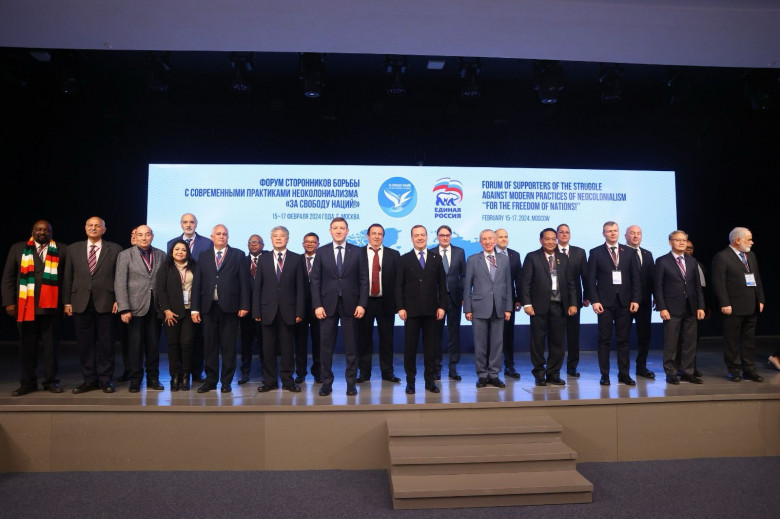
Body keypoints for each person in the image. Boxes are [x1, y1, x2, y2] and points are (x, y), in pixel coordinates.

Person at [2, 220, 67, 396]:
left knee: (51, 347)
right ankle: (27, 383)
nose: (42, 232)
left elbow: (66, 279)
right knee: (27, 347)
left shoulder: (62, 249)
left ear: (51, 232)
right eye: (38, 229)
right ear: (32, 231)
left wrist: (66, 303)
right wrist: (9, 302)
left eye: (46, 230)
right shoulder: (18, 248)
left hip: (52, 307)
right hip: (25, 306)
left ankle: (50, 382)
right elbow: (8, 277)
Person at [310, 217, 368, 397]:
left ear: (347, 231)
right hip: (327, 306)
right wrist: (317, 305)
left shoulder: (357, 251)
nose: (338, 231)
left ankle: (351, 383)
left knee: (352, 347)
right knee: (326, 347)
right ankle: (326, 383)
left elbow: (364, 280)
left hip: (351, 305)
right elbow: (315, 281)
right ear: (330, 231)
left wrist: (362, 304)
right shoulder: (321, 252)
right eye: (335, 228)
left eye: (342, 228)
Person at [63, 217, 122, 393]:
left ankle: (106, 380)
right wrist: (67, 301)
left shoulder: (115, 249)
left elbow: (119, 277)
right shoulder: (73, 249)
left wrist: (119, 299)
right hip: (80, 302)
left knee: (107, 344)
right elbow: (68, 277)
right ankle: (89, 380)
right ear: (85, 228)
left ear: (104, 230)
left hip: (107, 302)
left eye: (98, 226)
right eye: (90, 225)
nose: (94, 228)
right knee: (85, 344)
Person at [191, 224, 250, 393]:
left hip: (230, 308)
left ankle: (226, 382)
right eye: (218, 234)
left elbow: (244, 282)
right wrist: (195, 309)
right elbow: (197, 283)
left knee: (228, 347)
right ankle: (210, 381)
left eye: (224, 234)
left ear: (228, 237)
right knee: (210, 346)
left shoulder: (238, 255)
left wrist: (244, 305)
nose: (221, 236)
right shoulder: (203, 256)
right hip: (208, 308)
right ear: (212, 237)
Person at [520, 228, 578, 386]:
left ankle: (553, 374)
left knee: (558, 342)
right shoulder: (532, 257)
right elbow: (525, 283)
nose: (551, 242)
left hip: (559, 306)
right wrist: (527, 303)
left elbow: (571, 283)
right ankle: (539, 374)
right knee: (538, 343)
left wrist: (573, 303)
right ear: (541, 240)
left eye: (554, 239)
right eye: (547, 239)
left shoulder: (563, 258)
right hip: (538, 307)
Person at [587, 221, 641, 386]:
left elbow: (635, 278)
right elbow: (591, 280)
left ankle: (624, 374)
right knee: (604, 340)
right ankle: (605, 375)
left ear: (618, 233)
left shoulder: (629, 252)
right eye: (609, 231)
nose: (612, 233)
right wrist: (595, 301)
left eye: (615, 230)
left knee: (624, 340)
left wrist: (636, 299)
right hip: (604, 303)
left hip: (625, 302)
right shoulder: (596, 252)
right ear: (603, 233)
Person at [396, 225, 448, 394]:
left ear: (427, 237)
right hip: (411, 312)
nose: (420, 238)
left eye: (422, 235)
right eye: (416, 235)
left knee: (431, 349)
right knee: (410, 349)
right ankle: (410, 382)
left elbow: (443, 286)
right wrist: (400, 307)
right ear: (411, 238)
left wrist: (442, 306)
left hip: (432, 312)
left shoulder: (436, 258)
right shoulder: (404, 259)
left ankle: (430, 382)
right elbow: (399, 287)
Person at [115, 225, 166, 393]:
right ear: (135, 237)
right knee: (135, 346)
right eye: (140, 235)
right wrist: (124, 309)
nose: (144, 238)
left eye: (147, 234)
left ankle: (153, 379)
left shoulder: (161, 254)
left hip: (155, 307)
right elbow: (120, 283)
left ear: (152, 236)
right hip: (134, 307)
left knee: (153, 346)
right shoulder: (125, 255)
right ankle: (135, 380)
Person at [711, 227, 765, 382]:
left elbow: (756, 278)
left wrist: (760, 299)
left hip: (751, 304)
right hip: (733, 306)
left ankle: (749, 369)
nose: (752, 242)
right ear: (737, 240)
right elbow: (719, 282)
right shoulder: (722, 257)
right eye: (749, 239)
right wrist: (724, 303)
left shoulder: (751, 256)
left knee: (749, 340)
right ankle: (734, 369)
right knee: (732, 340)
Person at [255, 226, 305, 392]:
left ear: (287, 239)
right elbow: (257, 287)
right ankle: (269, 381)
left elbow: (300, 287)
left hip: (289, 311)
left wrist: (299, 311)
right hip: (267, 311)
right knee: (267, 349)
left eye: (281, 236)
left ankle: (288, 381)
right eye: (275, 236)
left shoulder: (297, 259)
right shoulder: (263, 259)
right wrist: (256, 311)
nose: (278, 238)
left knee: (287, 349)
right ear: (271, 239)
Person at [654, 230, 705, 384]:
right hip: (671, 308)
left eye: (684, 240)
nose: (682, 243)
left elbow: (697, 286)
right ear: (670, 242)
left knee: (689, 342)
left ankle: (687, 372)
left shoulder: (692, 261)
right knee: (671, 342)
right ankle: (671, 372)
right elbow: (658, 287)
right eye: (678, 240)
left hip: (691, 306)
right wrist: (662, 307)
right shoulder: (662, 261)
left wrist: (701, 306)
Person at [464, 229, 513, 389]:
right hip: (479, 307)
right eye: (484, 239)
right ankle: (482, 375)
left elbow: (508, 285)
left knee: (497, 343)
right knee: (480, 344)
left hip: (499, 307)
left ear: (495, 240)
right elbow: (467, 286)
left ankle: (494, 374)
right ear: (480, 242)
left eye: (490, 238)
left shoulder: (504, 259)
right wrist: (468, 309)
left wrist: (508, 308)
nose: (488, 242)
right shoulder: (473, 259)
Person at [168, 213, 213, 383]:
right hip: (176, 301)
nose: (188, 225)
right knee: (178, 341)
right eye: (185, 222)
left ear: (196, 224)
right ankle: (179, 372)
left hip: (199, 298)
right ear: (181, 224)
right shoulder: (171, 243)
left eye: (191, 222)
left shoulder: (207, 243)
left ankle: (196, 372)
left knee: (198, 338)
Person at [357, 223, 401, 383]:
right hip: (364, 303)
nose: (376, 236)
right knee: (363, 340)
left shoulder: (394, 254)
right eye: (373, 233)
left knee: (387, 340)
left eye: (380, 234)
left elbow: (398, 282)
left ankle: (387, 373)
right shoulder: (358, 253)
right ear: (367, 236)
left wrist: (399, 304)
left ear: (383, 236)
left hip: (386, 302)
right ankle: (364, 374)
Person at [156, 239, 198, 391]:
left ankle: (186, 375)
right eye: (177, 249)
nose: (180, 252)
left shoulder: (195, 266)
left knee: (187, 344)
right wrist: (166, 310)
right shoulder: (165, 267)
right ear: (172, 252)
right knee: (173, 345)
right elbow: (161, 290)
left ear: (188, 252)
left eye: (183, 250)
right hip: (171, 313)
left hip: (189, 312)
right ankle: (174, 376)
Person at [430, 225, 466, 380]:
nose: (444, 238)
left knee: (454, 334)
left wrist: (464, 295)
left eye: (447, 235)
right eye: (442, 235)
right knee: (436, 335)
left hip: (454, 298)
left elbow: (464, 275)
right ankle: (436, 367)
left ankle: (453, 368)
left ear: (451, 236)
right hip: (436, 300)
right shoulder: (431, 252)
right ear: (437, 236)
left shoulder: (459, 252)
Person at [556, 223, 589, 377]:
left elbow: (585, 276)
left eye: (567, 232)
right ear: (557, 235)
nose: (564, 234)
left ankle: (572, 367)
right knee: (557, 335)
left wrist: (587, 295)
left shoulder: (579, 252)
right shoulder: (551, 251)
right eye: (561, 232)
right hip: (556, 299)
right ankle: (555, 367)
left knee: (573, 335)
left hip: (574, 299)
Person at [624, 225, 656, 379]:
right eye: (632, 233)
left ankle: (641, 367)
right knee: (624, 337)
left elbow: (653, 278)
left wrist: (656, 297)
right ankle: (624, 371)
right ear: (625, 236)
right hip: (625, 301)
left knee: (644, 336)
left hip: (644, 302)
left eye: (638, 233)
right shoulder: (620, 253)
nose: (636, 236)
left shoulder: (647, 254)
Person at [494, 228, 523, 379]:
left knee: (508, 335)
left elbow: (519, 279)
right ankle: (492, 368)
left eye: (506, 236)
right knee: (493, 336)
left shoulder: (515, 255)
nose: (504, 239)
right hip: (491, 301)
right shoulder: (488, 254)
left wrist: (519, 299)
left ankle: (509, 366)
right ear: (494, 239)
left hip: (509, 301)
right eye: (501, 237)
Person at [294, 232, 322, 383]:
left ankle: (318, 372)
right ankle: (300, 373)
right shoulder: (296, 260)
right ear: (303, 244)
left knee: (319, 342)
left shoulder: (323, 259)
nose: (310, 244)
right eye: (307, 241)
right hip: (300, 308)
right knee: (300, 343)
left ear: (318, 244)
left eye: (313, 242)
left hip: (319, 307)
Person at [239, 234, 265, 385]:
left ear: (263, 245)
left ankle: (266, 372)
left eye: (257, 242)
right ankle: (245, 372)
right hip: (246, 309)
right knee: (246, 343)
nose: (254, 244)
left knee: (265, 343)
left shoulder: (269, 259)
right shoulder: (241, 260)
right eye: (251, 242)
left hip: (264, 309)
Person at [117, 226, 138, 383]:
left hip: (145, 304)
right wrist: (119, 301)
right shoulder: (123, 255)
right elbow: (118, 280)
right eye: (132, 234)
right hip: (126, 304)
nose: (134, 237)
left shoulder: (156, 255)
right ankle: (128, 370)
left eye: (138, 234)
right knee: (127, 340)